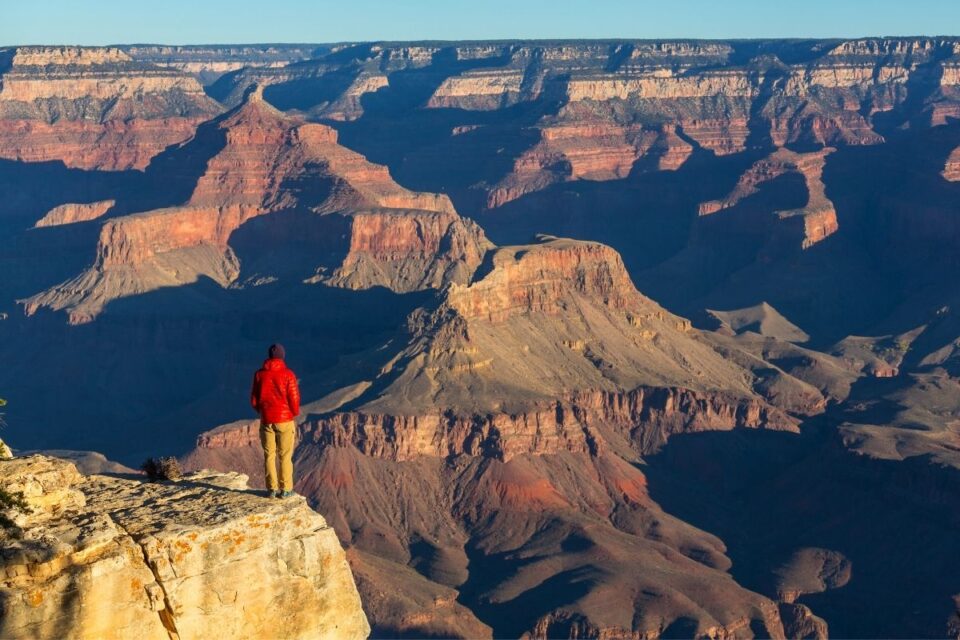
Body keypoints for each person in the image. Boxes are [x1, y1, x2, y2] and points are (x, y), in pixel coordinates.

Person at [250, 343, 300, 498]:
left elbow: (254, 399)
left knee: (269, 455)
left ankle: (271, 489)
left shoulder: (259, 375)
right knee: (285, 456)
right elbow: (294, 398)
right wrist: (293, 413)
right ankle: (285, 490)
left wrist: (263, 411)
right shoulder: (288, 374)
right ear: (282, 356)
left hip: (266, 420)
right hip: (285, 421)